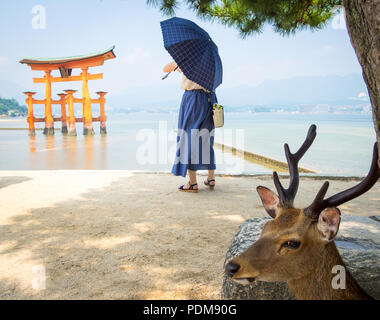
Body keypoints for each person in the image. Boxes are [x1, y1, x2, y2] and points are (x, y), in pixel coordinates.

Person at [163, 61, 216, 193]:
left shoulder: (187, 59)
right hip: (210, 99)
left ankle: (192, 183)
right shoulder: (212, 63)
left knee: (188, 139)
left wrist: (178, 61)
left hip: (192, 99)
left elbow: (165, 68)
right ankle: (211, 178)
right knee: (206, 140)